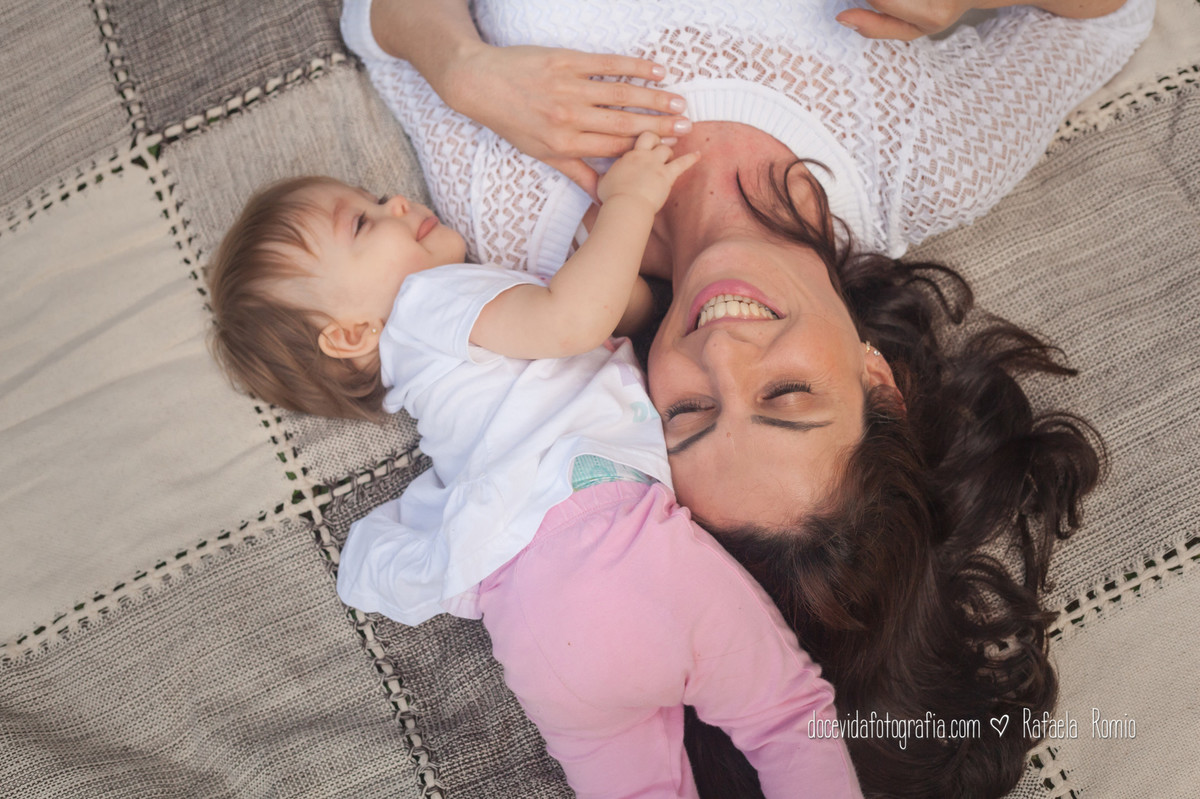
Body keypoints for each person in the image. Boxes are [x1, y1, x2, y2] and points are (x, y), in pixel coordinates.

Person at [339, 1, 1154, 796]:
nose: (721, 351)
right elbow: (1114, 14)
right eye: (787, 393)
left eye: (689, 415)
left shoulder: (522, 258)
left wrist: (459, 64)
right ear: (880, 381)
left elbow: (376, 20)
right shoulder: (920, 156)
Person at [205, 135, 863, 798]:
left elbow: (610, 318)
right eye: (365, 221)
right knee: (789, 719)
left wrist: (634, 301)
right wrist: (628, 204)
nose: (397, 201)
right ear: (351, 333)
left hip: (535, 632)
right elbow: (575, 319)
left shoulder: (444, 371)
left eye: (378, 198)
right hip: (615, 546)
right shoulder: (427, 302)